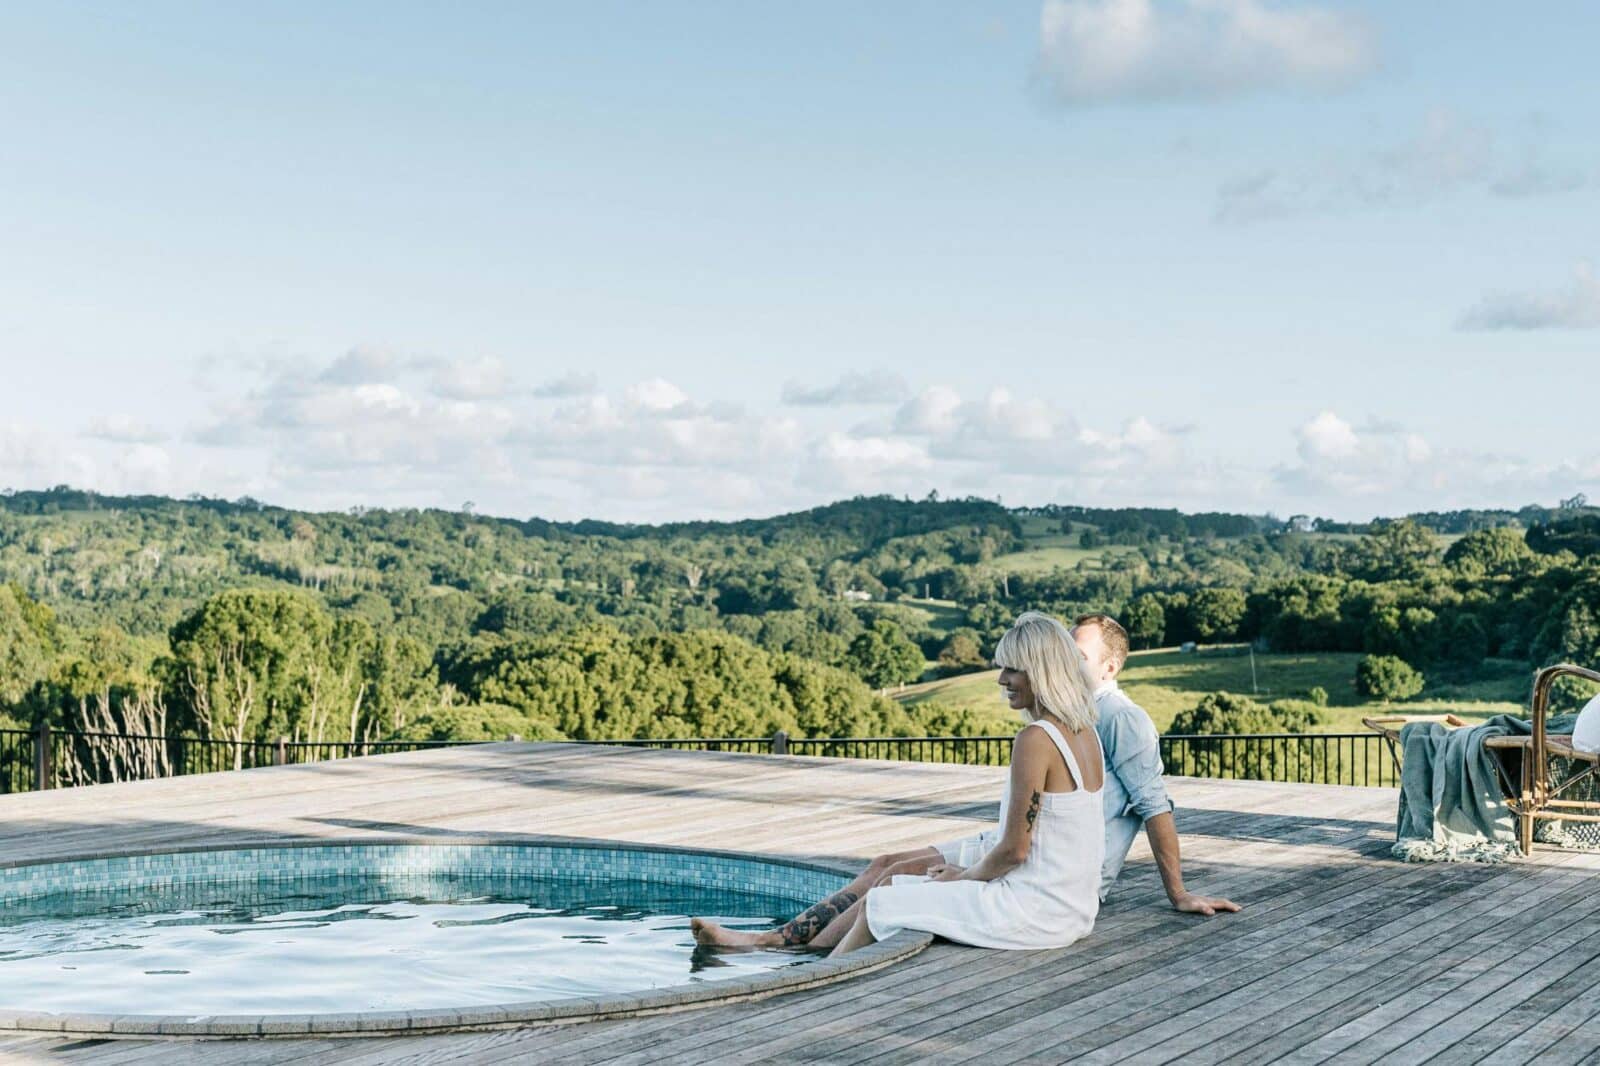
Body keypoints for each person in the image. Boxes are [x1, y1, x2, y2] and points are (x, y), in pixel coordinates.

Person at [692, 611, 1236, 954]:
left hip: (1039, 910)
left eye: (1011, 670)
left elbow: (1017, 850)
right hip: (1069, 907)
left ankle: (811, 987)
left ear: (1040, 672)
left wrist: (960, 878)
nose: (1000, 680)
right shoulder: (1083, 731)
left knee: (887, 901)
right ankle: (795, 955)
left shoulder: (1045, 738)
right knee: (892, 880)